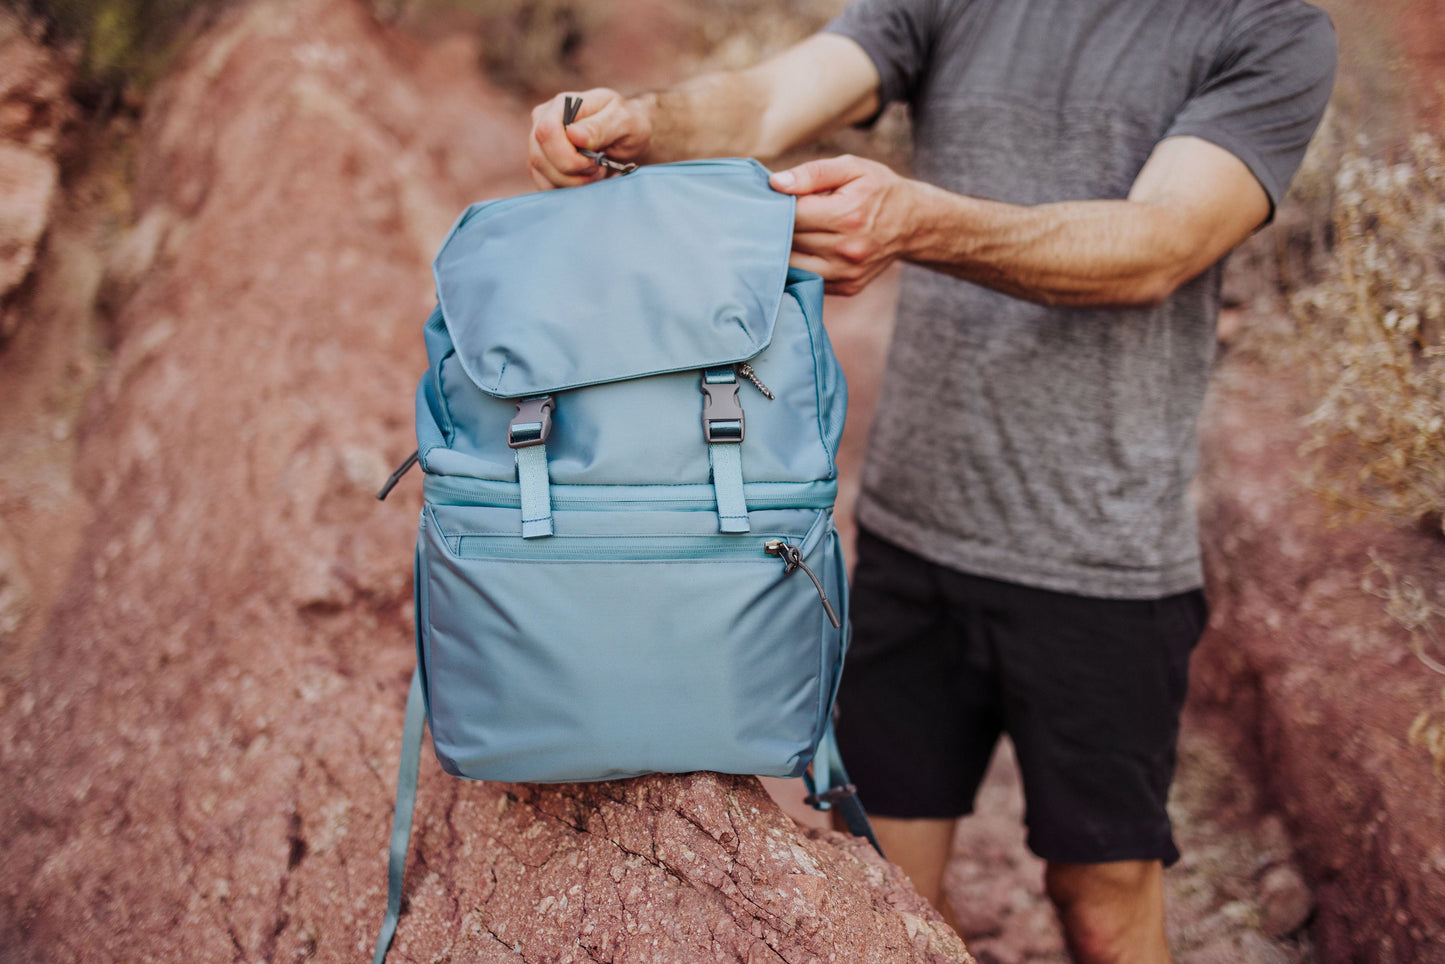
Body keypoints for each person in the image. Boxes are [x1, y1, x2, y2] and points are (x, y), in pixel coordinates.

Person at [526, 2, 1335, 961]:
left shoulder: (1270, 30)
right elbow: (773, 97)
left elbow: (1160, 245)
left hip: (1103, 565)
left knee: (1102, 905)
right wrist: (642, 123)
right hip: (911, 544)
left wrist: (916, 220)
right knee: (884, 894)